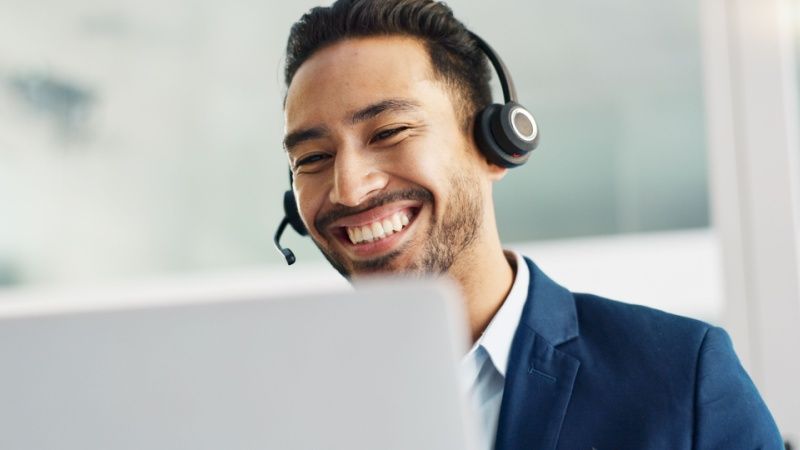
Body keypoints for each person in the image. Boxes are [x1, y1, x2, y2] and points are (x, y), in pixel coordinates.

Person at [279, 0, 784, 448]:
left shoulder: (681, 377)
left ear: (496, 146)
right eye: (313, 158)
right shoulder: (279, 399)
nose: (348, 188)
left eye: (389, 131)